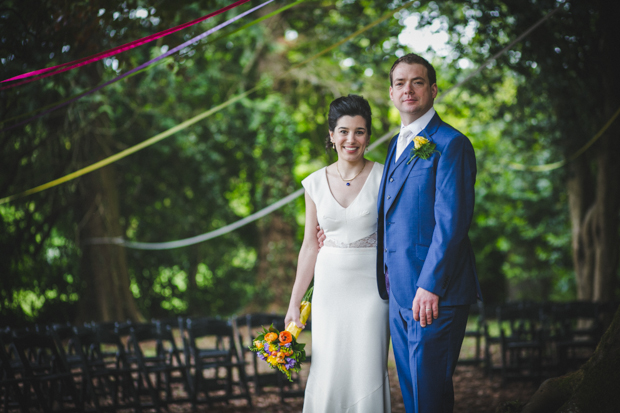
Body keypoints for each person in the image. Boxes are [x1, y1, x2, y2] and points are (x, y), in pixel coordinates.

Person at [376, 53, 482, 413]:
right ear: (391, 93)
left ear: (433, 90)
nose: (408, 89)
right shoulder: (396, 145)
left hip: (434, 293)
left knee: (430, 399)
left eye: (417, 82)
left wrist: (431, 285)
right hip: (398, 293)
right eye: (400, 83)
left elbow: (452, 223)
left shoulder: (451, 144)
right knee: (414, 398)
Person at [285, 94, 391, 413]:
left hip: (371, 289)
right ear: (331, 135)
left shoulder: (385, 176)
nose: (351, 139)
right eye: (343, 131)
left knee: (367, 369)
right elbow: (309, 246)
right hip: (329, 290)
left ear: (368, 136)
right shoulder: (314, 183)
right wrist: (294, 303)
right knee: (328, 368)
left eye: (359, 131)